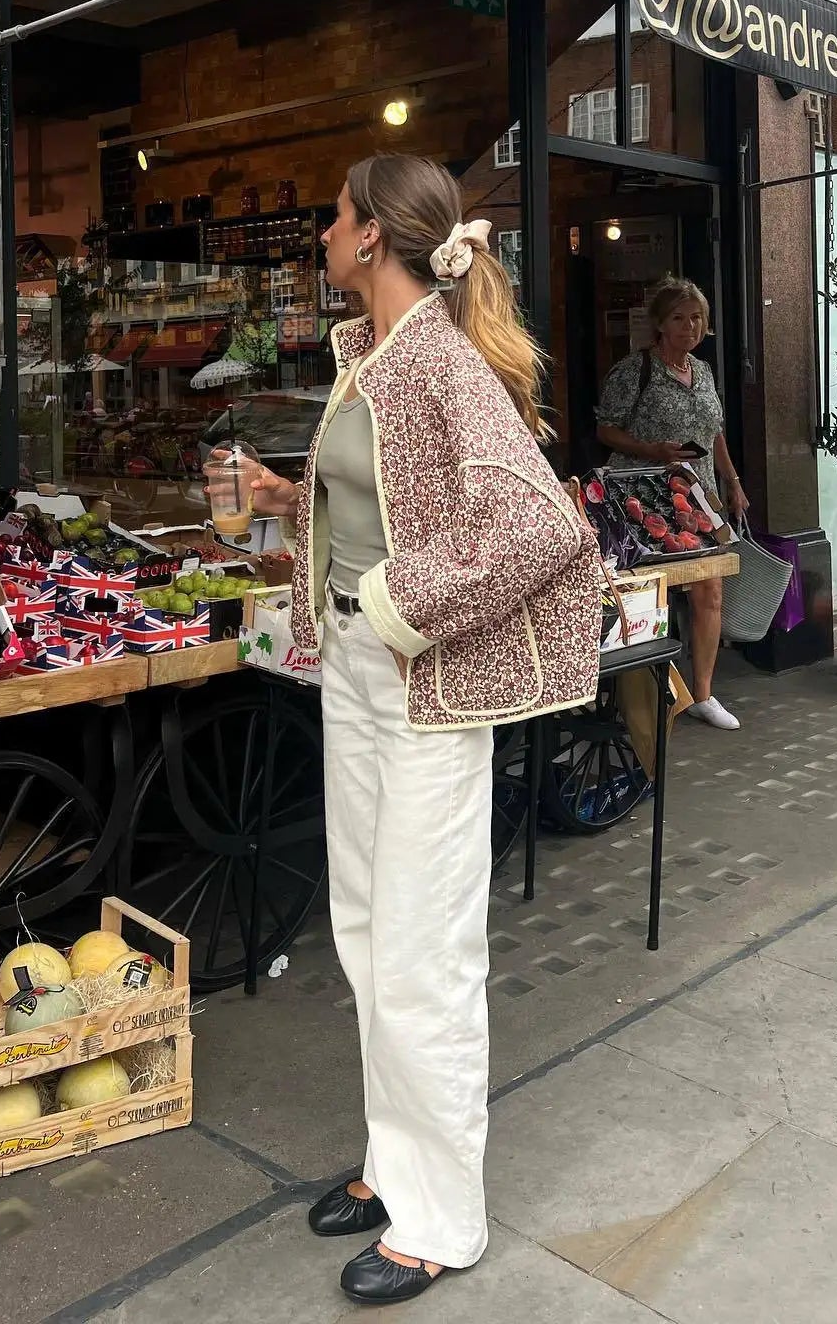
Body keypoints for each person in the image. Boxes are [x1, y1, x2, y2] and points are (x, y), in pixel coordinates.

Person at [244, 154, 600, 1306]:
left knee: (423, 954)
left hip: (422, 686)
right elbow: (390, 495)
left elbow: (540, 527)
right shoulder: (373, 356)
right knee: (363, 931)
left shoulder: (440, 359)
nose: (324, 231)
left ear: (372, 241)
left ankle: (443, 1222)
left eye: (336, 215)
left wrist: (399, 605)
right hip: (357, 671)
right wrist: (282, 502)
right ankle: (396, 1168)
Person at [596, 275, 749, 731]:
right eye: (679, 318)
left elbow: (714, 431)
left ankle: (703, 693)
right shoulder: (634, 369)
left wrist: (732, 482)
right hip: (643, 496)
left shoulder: (701, 372)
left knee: (709, 587)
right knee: (649, 591)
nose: (690, 327)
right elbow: (606, 429)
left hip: (695, 497)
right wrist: (654, 451)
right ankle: (643, 695)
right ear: (660, 324)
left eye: (696, 318)